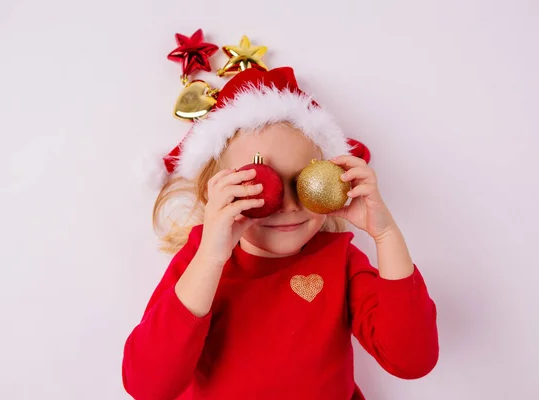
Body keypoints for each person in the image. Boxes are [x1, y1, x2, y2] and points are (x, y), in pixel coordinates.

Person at [122, 66, 439, 400]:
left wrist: (385, 234)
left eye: (304, 183)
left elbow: (412, 360)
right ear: (215, 192)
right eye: (258, 183)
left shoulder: (339, 258)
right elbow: (147, 386)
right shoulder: (200, 262)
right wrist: (212, 259)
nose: (287, 205)